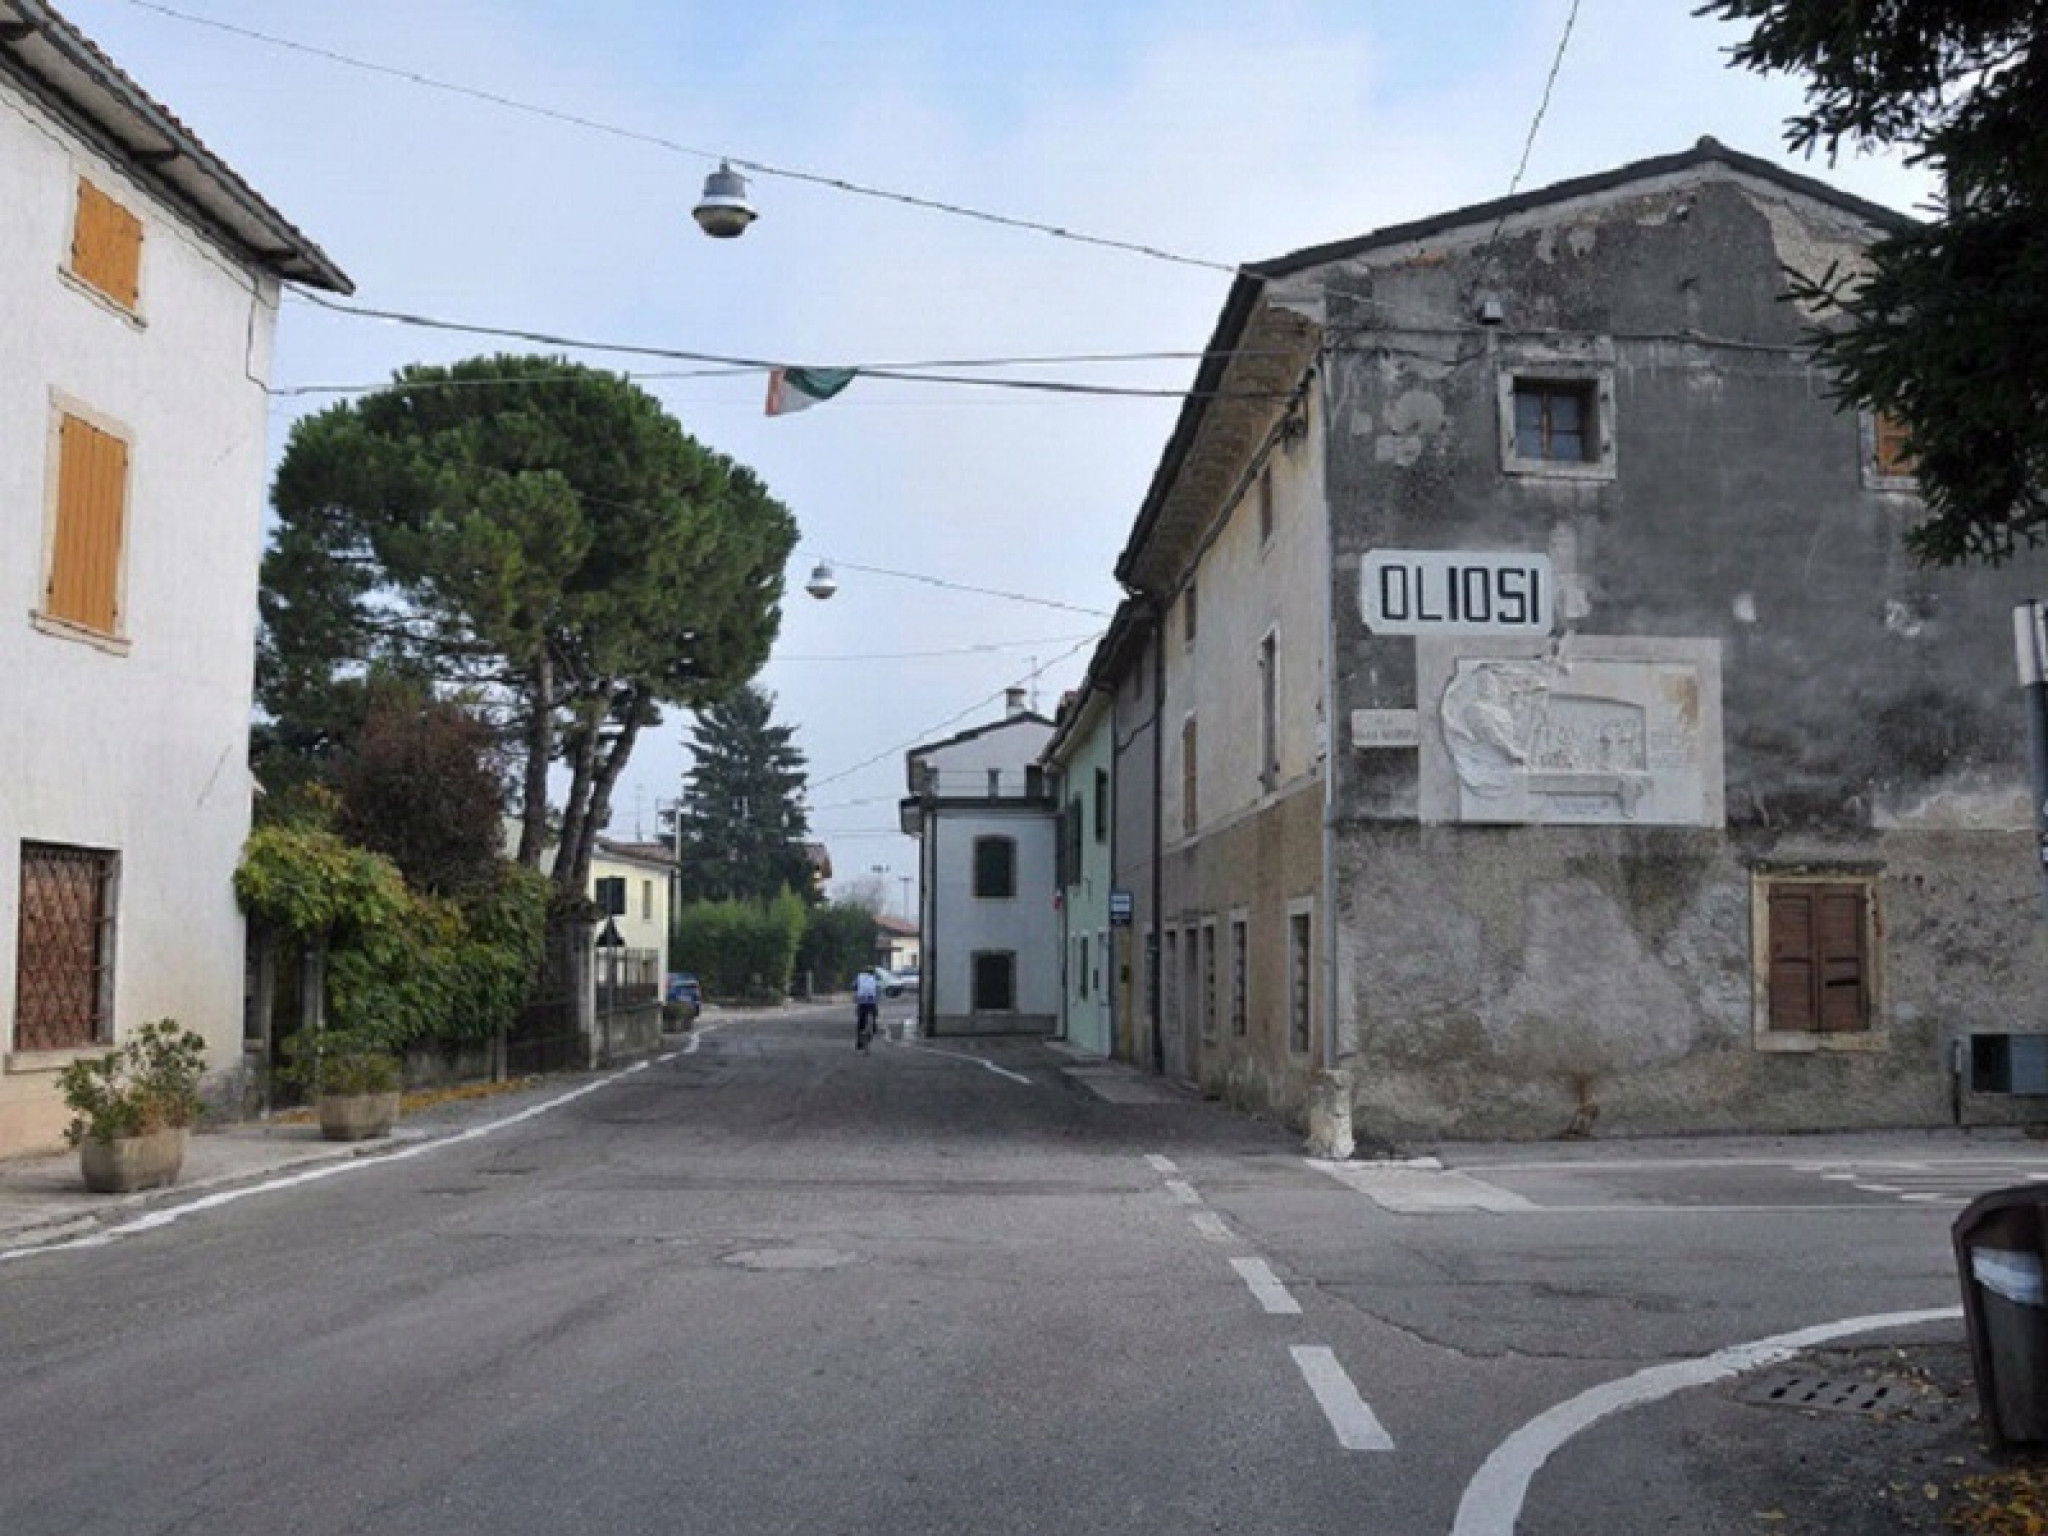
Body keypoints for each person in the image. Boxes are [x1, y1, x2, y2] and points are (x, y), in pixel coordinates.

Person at [854, 969, 880, 1050]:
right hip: (872, 1003)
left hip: (862, 1002)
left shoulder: (859, 977)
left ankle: (859, 1042)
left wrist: (856, 991)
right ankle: (873, 1029)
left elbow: (853, 985)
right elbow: (878, 989)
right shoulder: (875, 978)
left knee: (860, 1022)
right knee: (874, 1017)